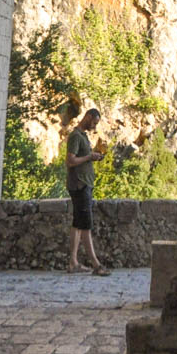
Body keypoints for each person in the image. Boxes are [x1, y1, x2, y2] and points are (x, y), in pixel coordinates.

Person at [66, 107, 111, 274]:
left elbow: (81, 158)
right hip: (79, 185)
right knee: (86, 225)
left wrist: (93, 156)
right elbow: (70, 161)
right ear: (88, 117)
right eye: (94, 122)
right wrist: (89, 157)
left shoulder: (83, 136)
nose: (94, 126)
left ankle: (73, 263)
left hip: (84, 184)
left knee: (78, 224)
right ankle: (96, 265)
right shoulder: (75, 136)